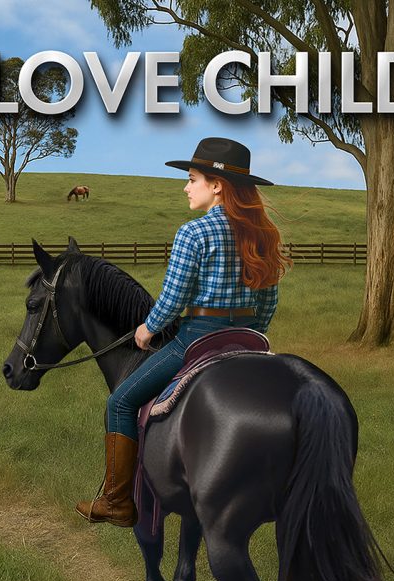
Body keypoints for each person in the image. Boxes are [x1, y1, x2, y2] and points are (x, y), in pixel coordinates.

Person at [76, 137, 289, 528]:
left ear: (217, 185)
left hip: (198, 338)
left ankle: (118, 502)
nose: (186, 187)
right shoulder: (264, 233)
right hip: (249, 340)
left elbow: (174, 300)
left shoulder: (194, 233)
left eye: (193, 179)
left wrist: (146, 329)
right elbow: (269, 303)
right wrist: (252, 335)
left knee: (120, 403)